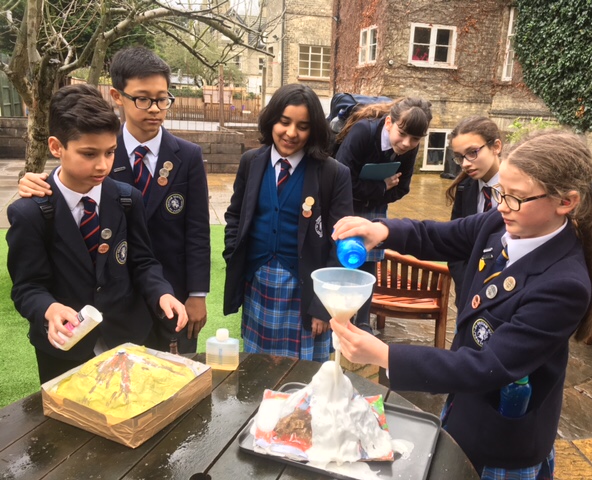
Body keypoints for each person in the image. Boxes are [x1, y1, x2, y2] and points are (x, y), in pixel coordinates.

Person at [330, 130, 592, 478]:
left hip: (503, 442)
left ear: (565, 202)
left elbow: (486, 366)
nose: (503, 205)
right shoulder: (502, 224)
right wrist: (382, 229)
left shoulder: (563, 284)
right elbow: (439, 236)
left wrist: (384, 355)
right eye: (500, 193)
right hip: (465, 410)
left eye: (517, 198)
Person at [18, 47, 211, 354]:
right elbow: (75, 169)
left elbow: (198, 229)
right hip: (107, 296)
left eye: (162, 98)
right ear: (117, 96)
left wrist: (196, 292)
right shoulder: (102, 146)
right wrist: (38, 180)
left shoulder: (187, 156)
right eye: (142, 98)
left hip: (166, 287)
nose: (154, 108)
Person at [7, 84, 188, 383]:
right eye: (89, 154)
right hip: (65, 349)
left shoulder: (128, 199)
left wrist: (162, 292)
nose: (103, 165)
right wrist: (48, 308)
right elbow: (27, 287)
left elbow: (143, 262)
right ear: (56, 147)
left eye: (110, 152)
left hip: (126, 340)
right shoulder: (31, 213)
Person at [223, 84, 353, 362]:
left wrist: (321, 306)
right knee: (258, 368)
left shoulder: (332, 173)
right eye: (284, 122)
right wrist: (233, 252)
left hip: (304, 289)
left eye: (303, 126)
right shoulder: (251, 162)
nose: (291, 133)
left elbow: (340, 243)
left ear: (314, 130)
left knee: (303, 376)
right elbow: (235, 215)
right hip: (258, 282)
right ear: (272, 120)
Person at [335, 97, 432, 332]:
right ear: (389, 122)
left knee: (369, 261)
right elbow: (341, 181)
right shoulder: (362, 133)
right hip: (345, 204)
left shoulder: (409, 145)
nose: (408, 143)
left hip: (374, 208)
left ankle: (364, 320)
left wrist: (373, 194)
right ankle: (339, 317)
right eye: (403, 134)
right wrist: (379, 188)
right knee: (344, 258)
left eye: (416, 139)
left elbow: (401, 188)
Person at [446, 117, 502, 309]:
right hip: (469, 296)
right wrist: (465, 284)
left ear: (496, 147)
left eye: (472, 153)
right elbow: (455, 243)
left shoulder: (520, 189)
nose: (465, 164)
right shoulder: (465, 187)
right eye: (460, 157)